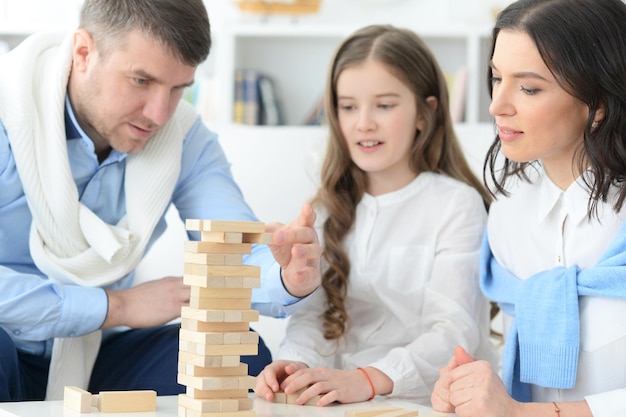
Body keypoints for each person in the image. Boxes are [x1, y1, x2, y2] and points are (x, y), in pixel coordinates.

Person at [0, 0, 322, 402]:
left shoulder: (184, 137)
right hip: (13, 343)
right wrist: (115, 306)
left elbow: (234, 251)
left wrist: (284, 275)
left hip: (90, 351)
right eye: (141, 81)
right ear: (83, 53)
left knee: (243, 358)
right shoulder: (7, 107)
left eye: (178, 89)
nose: (159, 113)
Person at [254, 24, 498, 407]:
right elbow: (314, 319)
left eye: (384, 105)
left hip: (426, 402)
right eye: (348, 106)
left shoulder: (456, 204)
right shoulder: (323, 208)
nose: (363, 122)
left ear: (425, 112)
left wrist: (367, 379)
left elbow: (453, 331)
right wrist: (295, 362)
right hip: (340, 401)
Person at [431, 0, 626, 416]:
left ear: (600, 103)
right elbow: (522, 374)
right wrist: (469, 388)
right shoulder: (508, 212)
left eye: (529, 87)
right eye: (497, 78)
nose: (496, 105)